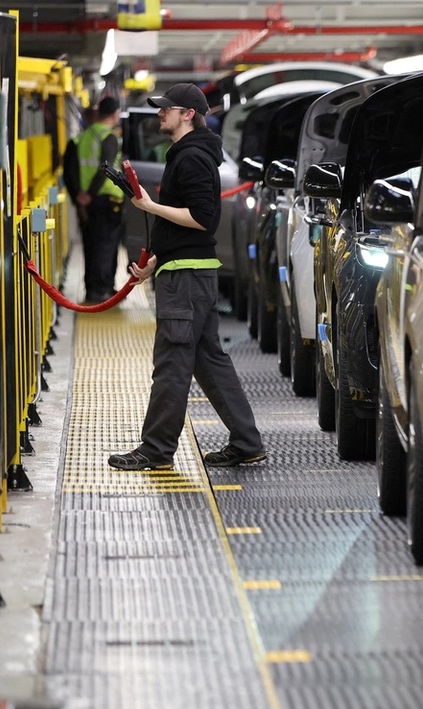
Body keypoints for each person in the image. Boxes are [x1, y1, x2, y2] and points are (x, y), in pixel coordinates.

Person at [108, 82, 267, 471]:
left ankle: (156, 450)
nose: (161, 113)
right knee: (207, 359)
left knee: (172, 362)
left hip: (187, 279)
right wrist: (154, 263)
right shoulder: (187, 154)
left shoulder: (192, 158)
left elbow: (200, 219)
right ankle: (247, 442)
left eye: (167, 108)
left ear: (188, 115)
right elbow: (183, 227)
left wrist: (149, 205)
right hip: (188, 272)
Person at [72, 96, 125, 303]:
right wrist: (90, 194)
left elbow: (76, 168)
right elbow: (106, 169)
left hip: (88, 200)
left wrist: (80, 195)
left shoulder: (85, 136)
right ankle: (101, 290)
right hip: (106, 197)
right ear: (115, 114)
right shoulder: (108, 137)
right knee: (107, 245)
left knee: (91, 244)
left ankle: (93, 288)